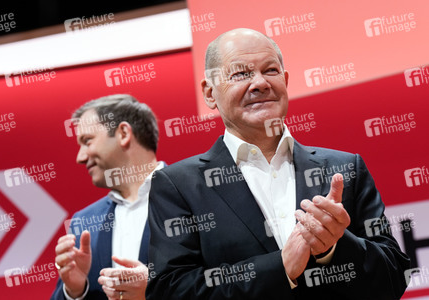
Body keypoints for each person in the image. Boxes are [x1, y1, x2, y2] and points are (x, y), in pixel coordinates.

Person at [146, 29, 410, 299]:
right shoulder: (177, 186)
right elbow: (171, 291)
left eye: (270, 70)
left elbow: (393, 277)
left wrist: (332, 248)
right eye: (240, 74)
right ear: (210, 92)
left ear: (285, 80)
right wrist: (280, 267)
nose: (259, 83)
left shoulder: (345, 168)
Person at [51, 94, 163, 300]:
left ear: (123, 133)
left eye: (87, 141)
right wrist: (75, 291)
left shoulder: (193, 196)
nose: (80, 157)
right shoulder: (83, 221)